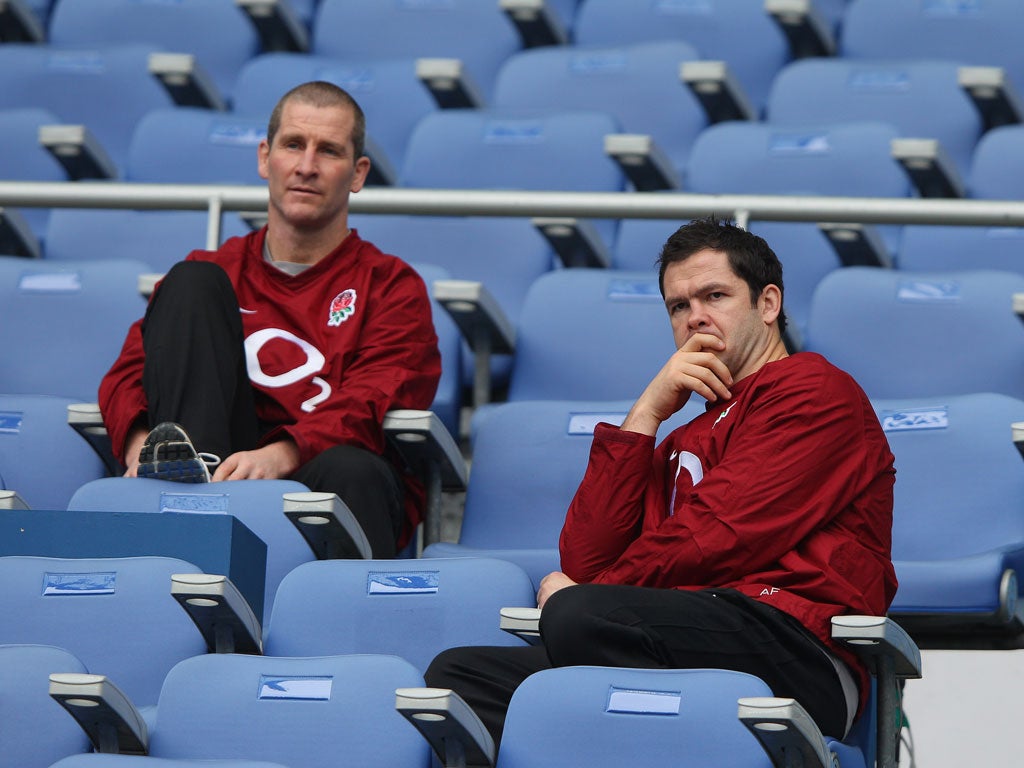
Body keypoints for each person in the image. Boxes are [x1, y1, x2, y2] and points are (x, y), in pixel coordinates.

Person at [426, 217, 897, 744]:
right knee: (460, 679)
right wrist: (647, 413)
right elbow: (584, 557)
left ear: (768, 304)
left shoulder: (813, 390)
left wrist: (587, 597)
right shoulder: (680, 438)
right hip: (673, 634)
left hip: (794, 647)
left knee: (581, 614)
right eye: (678, 306)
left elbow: (718, 536)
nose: (696, 318)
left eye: (714, 295)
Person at [99, 81, 441, 557]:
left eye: (329, 151)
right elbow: (128, 376)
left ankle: (339, 623)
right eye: (293, 145)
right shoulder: (215, 272)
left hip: (314, 466)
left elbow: (371, 401)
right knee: (192, 280)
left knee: (354, 469)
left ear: (358, 173)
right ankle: (190, 500)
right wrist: (139, 445)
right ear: (265, 157)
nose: (306, 166)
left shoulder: (389, 285)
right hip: (209, 458)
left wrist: (281, 454)